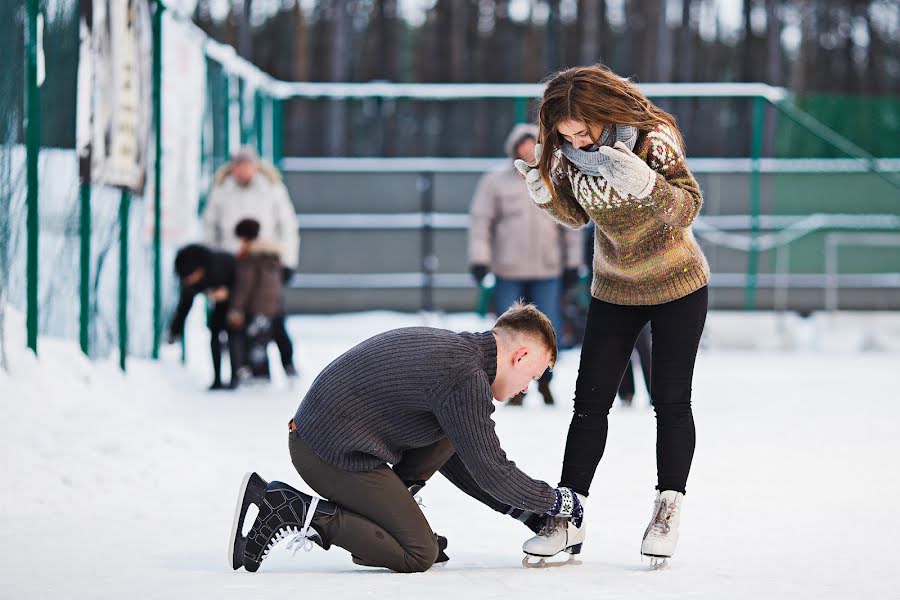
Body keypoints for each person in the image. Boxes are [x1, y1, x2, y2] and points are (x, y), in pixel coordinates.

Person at [514, 64, 710, 566]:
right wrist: (546, 193)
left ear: (604, 112)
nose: (576, 141)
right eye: (566, 135)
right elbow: (578, 214)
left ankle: (667, 509)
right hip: (615, 286)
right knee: (589, 402)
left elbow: (688, 206)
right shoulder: (571, 155)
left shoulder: (653, 138)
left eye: (584, 130)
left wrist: (647, 185)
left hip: (677, 284)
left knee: (669, 399)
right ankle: (567, 517)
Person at [229, 302, 586, 573]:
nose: (526, 388)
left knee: (455, 438)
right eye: (533, 376)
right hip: (327, 451)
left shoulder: (462, 357)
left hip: (336, 438)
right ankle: (286, 506)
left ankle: (385, 518)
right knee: (418, 554)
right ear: (520, 355)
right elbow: (491, 469)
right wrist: (557, 502)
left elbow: (467, 461)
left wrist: (530, 515)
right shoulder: (465, 377)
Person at [468, 123, 584, 406]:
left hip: (548, 270)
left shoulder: (555, 178)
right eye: (521, 145)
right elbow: (481, 222)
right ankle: (509, 385)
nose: (526, 150)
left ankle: (544, 380)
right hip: (509, 270)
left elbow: (570, 223)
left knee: (550, 327)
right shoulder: (495, 182)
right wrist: (480, 261)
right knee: (508, 331)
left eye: (532, 144)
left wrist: (573, 265)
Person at [203, 146, 299, 377]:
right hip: (232, 260)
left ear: (255, 166)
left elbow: (287, 226)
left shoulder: (272, 188)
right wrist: (213, 264)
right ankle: (243, 365)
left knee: (271, 313)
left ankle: (286, 363)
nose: (243, 170)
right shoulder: (221, 190)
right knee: (234, 313)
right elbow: (210, 227)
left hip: (266, 260)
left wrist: (288, 261)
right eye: (239, 165)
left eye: (247, 165)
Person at [168, 244, 239, 390]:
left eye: (190, 277)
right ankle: (217, 379)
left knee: (233, 334)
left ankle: (235, 377)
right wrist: (174, 330)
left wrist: (228, 293)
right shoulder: (191, 279)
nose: (188, 281)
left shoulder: (221, 265)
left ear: (199, 270)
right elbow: (184, 306)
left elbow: (242, 286)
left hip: (237, 301)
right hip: (219, 303)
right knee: (214, 333)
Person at [227, 219, 285, 383]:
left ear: (244, 238)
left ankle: (259, 376)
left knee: (254, 342)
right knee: (261, 341)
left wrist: (236, 307)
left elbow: (245, 285)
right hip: (271, 306)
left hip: (256, 306)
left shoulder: (251, 258)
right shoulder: (272, 254)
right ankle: (263, 374)